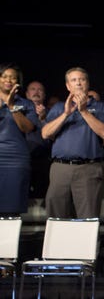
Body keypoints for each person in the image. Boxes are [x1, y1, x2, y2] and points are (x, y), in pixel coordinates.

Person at [42, 67, 104, 218]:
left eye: (82, 79)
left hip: (88, 168)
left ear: (87, 83)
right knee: (56, 216)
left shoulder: (101, 107)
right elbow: (45, 133)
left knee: (87, 217)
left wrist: (84, 111)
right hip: (60, 168)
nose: (78, 83)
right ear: (68, 86)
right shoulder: (59, 107)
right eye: (74, 80)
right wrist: (66, 114)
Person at [0, 63, 38, 216]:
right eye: (4, 76)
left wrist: (11, 106)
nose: (8, 80)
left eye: (13, 77)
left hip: (15, 160)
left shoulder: (25, 104)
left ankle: (10, 240)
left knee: (11, 210)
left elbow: (28, 128)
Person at [25, 80, 53, 200]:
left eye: (40, 90)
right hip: (23, 159)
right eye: (33, 89)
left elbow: (52, 136)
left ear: (44, 95)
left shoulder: (52, 113)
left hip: (44, 160)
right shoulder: (19, 112)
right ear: (26, 94)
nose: (36, 92)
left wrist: (43, 119)